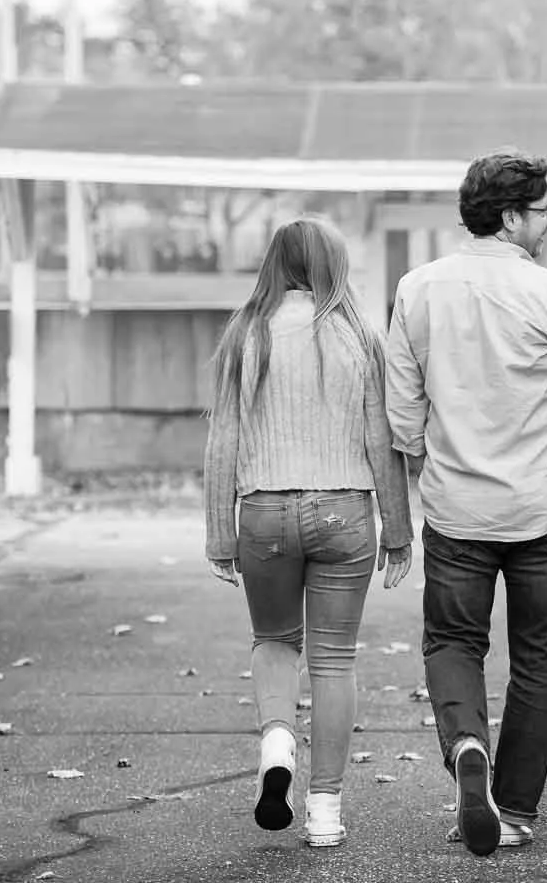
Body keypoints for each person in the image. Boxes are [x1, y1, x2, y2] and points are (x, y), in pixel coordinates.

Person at [385, 149, 547, 857]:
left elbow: (402, 417)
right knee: (537, 657)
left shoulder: (417, 290)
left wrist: (427, 461)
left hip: (457, 508)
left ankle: (468, 745)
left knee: (454, 642)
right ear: (509, 217)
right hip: (540, 508)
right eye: (542, 211)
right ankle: (517, 808)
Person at [203, 216, 414, 848]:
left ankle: (276, 747)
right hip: (345, 514)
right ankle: (325, 813)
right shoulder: (357, 336)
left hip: (263, 513)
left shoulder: (245, 333)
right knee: (333, 659)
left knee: (274, 641)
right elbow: (382, 438)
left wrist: (220, 532)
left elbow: (225, 440)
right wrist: (398, 528)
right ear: (332, 267)